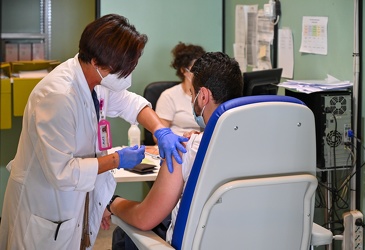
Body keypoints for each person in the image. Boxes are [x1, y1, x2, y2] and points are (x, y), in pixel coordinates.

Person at [0, 14, 187, 250]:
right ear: (98, 62)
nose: (127, 77)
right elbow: (63, 173)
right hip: (45, 207)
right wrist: (117, 160)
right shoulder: (57, 97)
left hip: (74, 201)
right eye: (123, 70)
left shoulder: (96, 80)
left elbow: (130, 103)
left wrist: (160, 130)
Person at [104, 52, 244, 249]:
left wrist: (112, 203)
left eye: (193, 94)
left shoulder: (187, 148)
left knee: (122, 236)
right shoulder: (264, 143)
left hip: (194, 242)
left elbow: (144, 218)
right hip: (249, 239)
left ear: (203, 96)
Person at [155, 42, 205, 136]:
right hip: (178, 145)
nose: (199, 73)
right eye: (195, 69)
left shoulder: (207, 95)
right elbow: (159, 135)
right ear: (183, 70)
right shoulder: (169, 96)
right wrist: (184, 138)